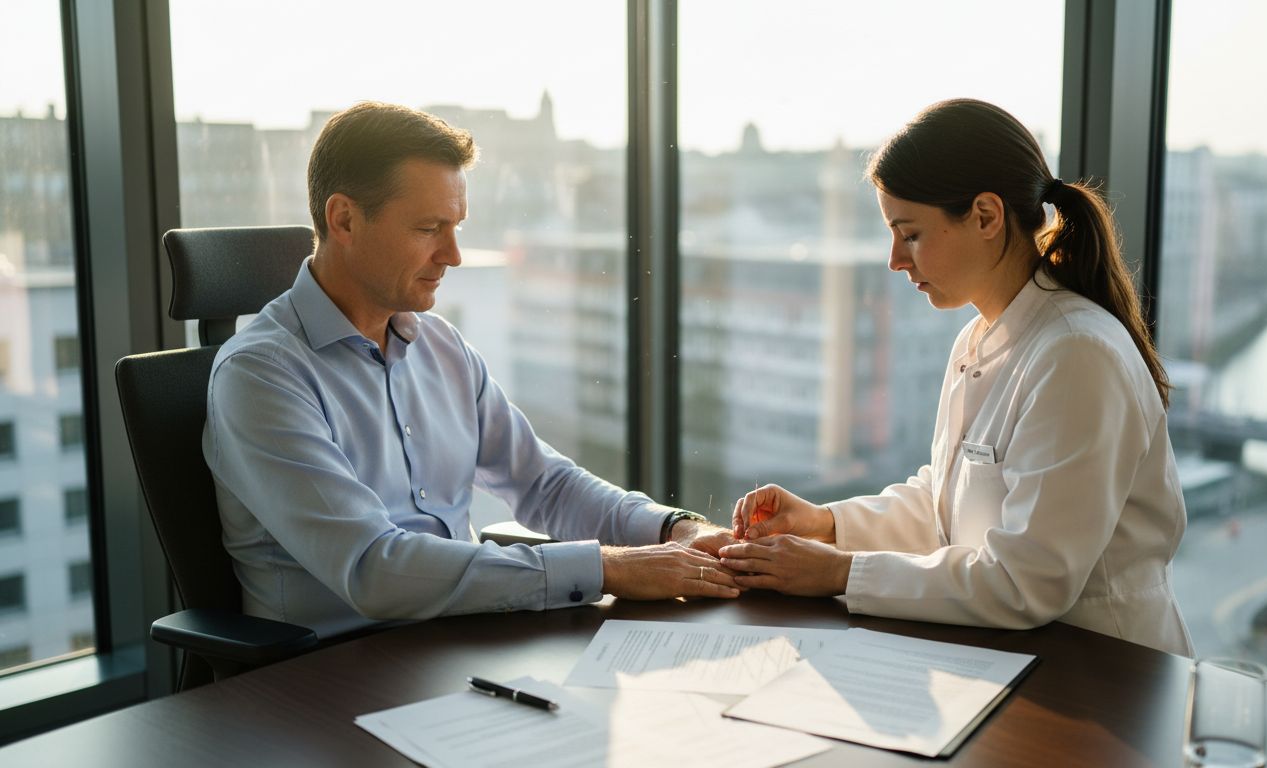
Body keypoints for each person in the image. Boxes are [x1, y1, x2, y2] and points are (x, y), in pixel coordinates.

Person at [204, 102, 737, 638]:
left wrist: (674, 530)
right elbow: (375, 569)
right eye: (429, 228)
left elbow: (545, 484)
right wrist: (609, 568)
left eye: (456, 226)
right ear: (344, 219)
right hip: (329, 678)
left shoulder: (440, 347)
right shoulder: (260, 376)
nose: (453, 255)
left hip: (461, 646)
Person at [718, 98, 1193, 656]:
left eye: (910, 233)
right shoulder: (980, 339)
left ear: (987, 216)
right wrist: (824, 523)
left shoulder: (1076, 355)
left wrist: (839, 573)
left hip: (1106, 674)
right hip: (1021, 663)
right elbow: (945, 508)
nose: (895, 259)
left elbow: (1026, 583)